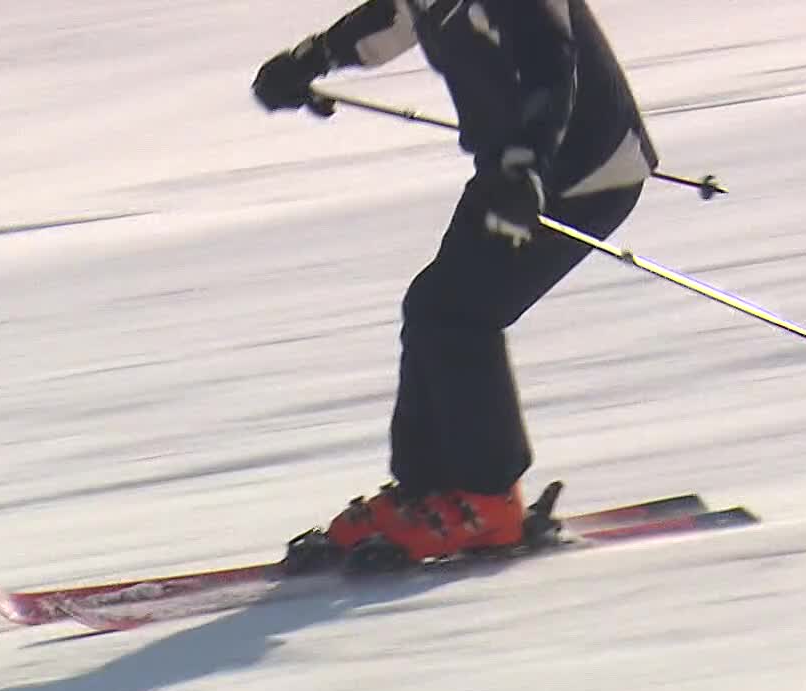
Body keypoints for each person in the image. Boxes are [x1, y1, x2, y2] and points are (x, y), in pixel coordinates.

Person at [252, 0, 661, 565]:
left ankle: (487, 501)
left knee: (457, 313)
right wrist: (312, 59)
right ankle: (428, 491)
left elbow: (549, 62)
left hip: (580, 173)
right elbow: (394, 19)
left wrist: (523, 168)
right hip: (517, 173)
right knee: (434, 306)